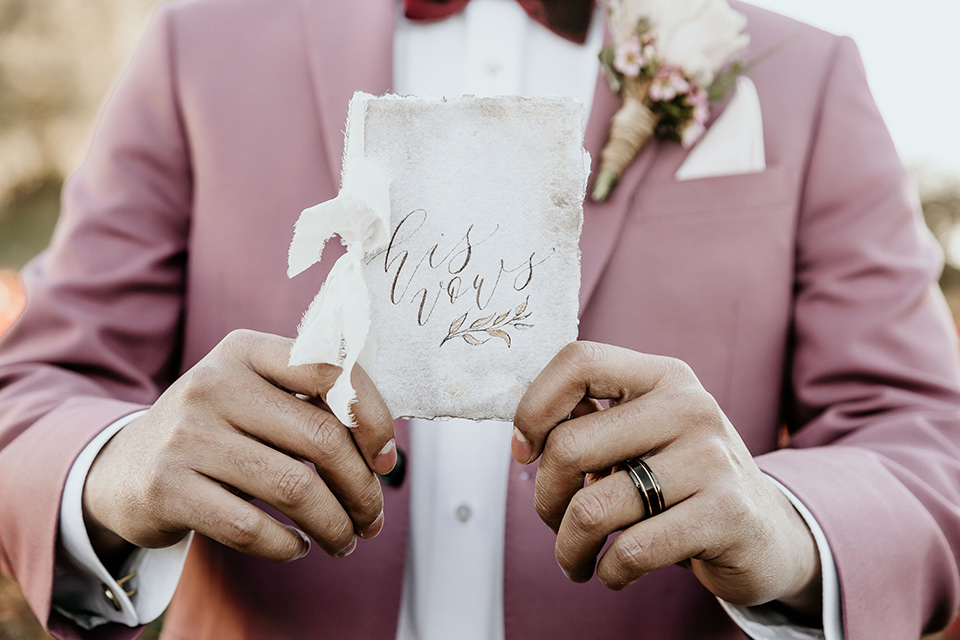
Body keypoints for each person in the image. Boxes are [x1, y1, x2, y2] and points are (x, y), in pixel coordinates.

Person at [1, 0, 959, 638]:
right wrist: (117, 461)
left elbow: (926, 442)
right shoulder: (197, 42)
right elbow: (34, 388)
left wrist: (788, 527)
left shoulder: (805, 75)